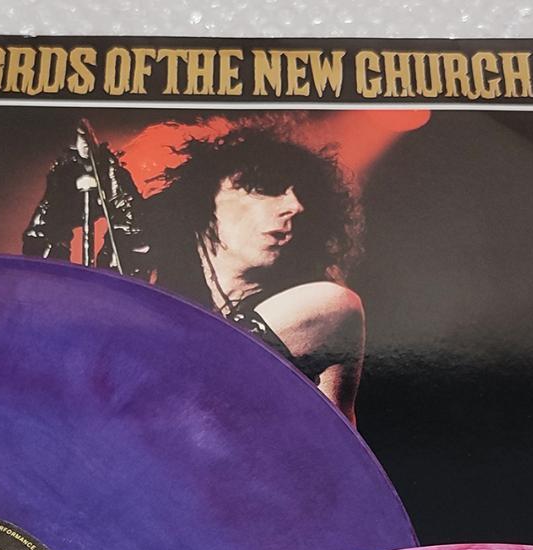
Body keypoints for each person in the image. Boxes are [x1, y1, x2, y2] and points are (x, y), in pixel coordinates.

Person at [23, 125, 365, 422]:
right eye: (267, 186)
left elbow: (181, 388)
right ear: (204, 198)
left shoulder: (328, 307)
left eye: (304, 196)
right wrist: (51, 230)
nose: (295, 206)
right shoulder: (164, 299)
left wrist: (127, 252)